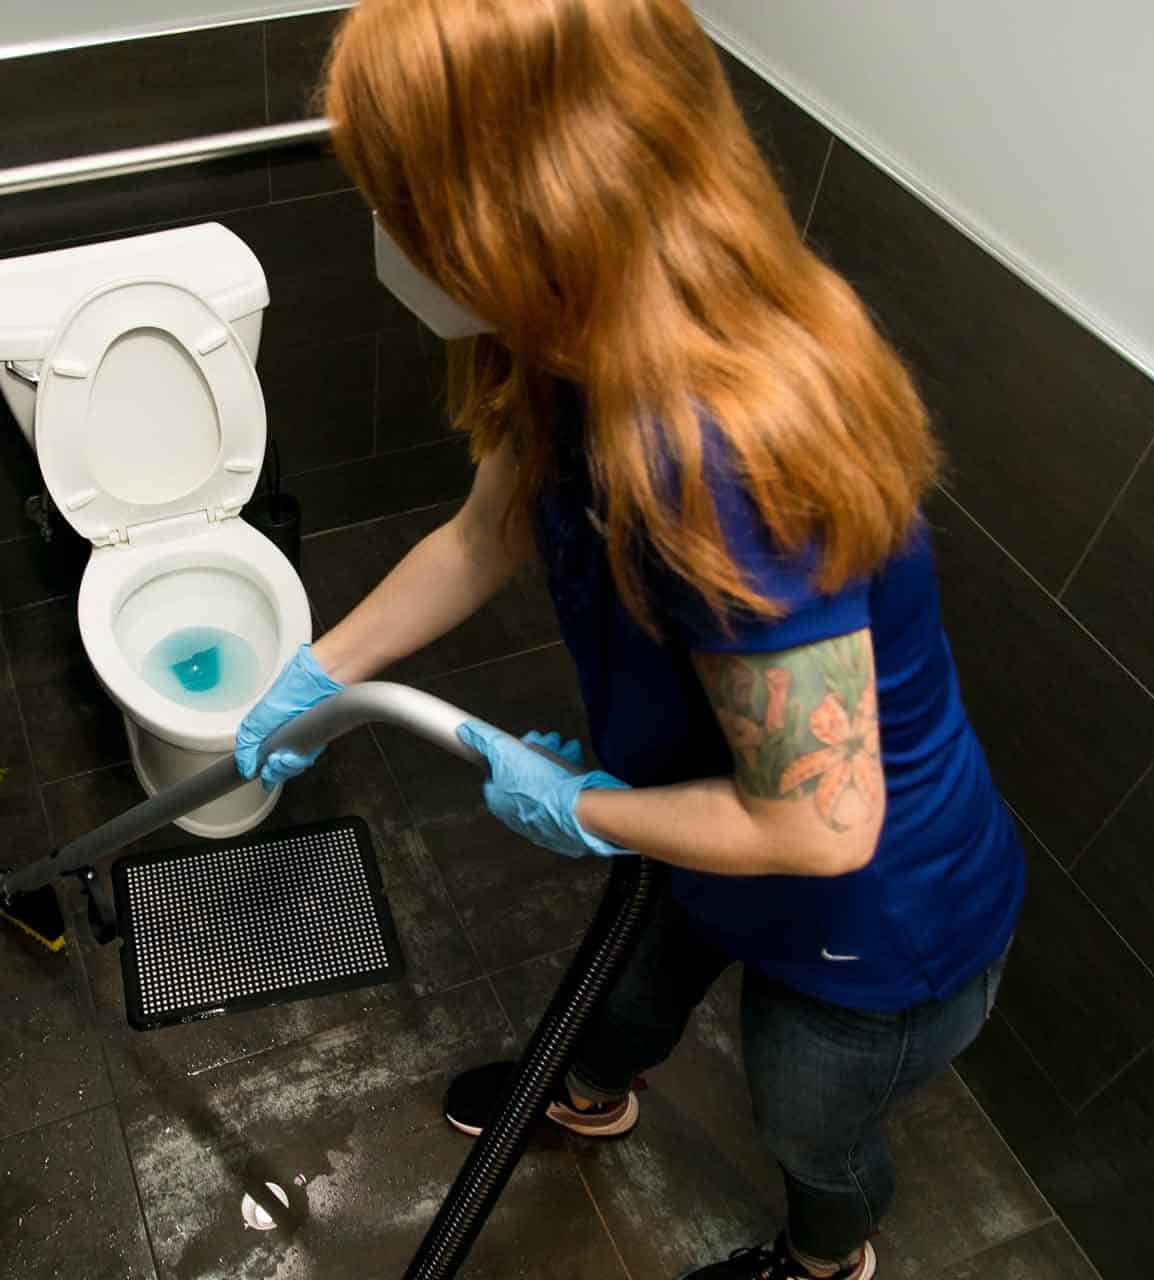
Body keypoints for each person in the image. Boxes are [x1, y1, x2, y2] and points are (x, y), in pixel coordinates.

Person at [231, 2, 1025, 1277]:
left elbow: (820, 825)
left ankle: (827, 1260)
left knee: (807, 1117)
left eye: (409, 198)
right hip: (704, 807)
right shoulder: (566, 337)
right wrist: (322, 671)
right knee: (632, 977)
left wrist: (587, 806)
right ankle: (590, 1082)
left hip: (870, 917)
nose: (388, 232)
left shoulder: (727, 455)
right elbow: (485, 534)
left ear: (521, 202)